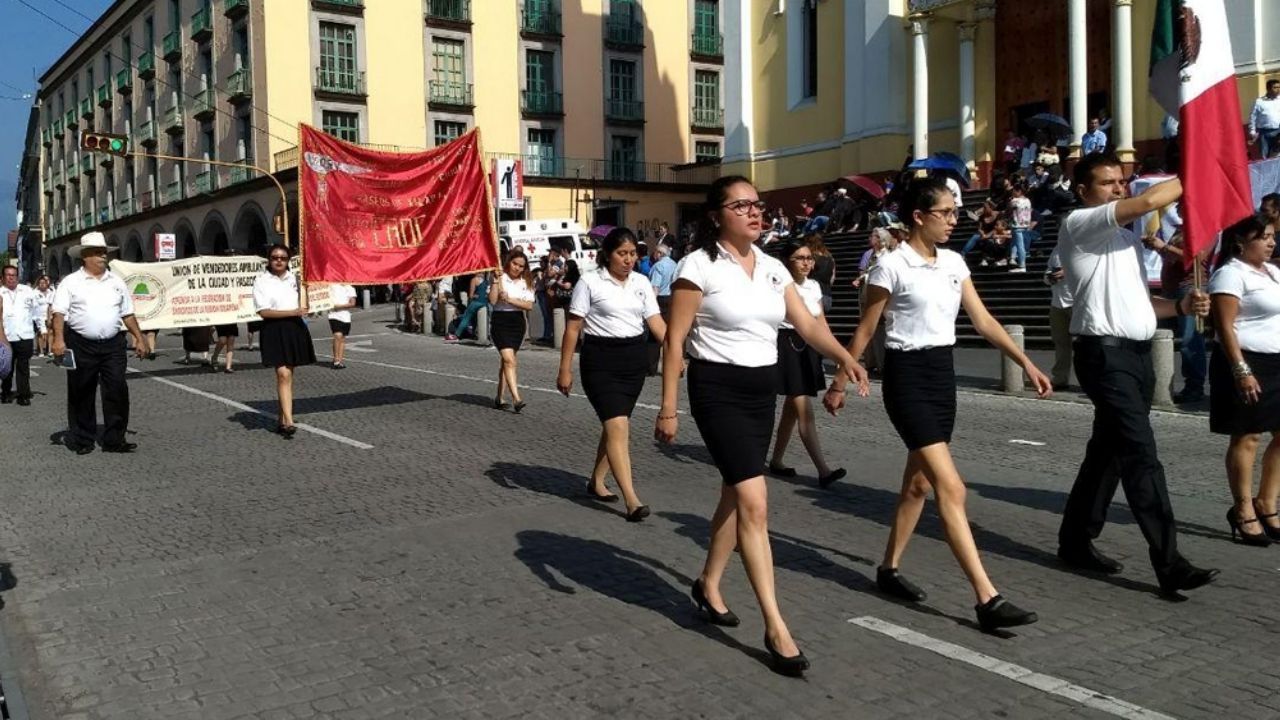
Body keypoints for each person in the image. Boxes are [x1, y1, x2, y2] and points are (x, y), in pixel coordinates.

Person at [655, 175, 867, 677]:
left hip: (760, 391)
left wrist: (845, 358)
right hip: (717, 390)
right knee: (755, 500)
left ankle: (708, 583)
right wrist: (668, 407)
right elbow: (675, 339)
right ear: (717, 215)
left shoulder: (774, 267)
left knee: (735, 493)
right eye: (741, 205)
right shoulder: (698, 265)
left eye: (758, 204)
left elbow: (808, 324)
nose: (754, 212)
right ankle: (776, 626)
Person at [825, 177, 1050, 631]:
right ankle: (987, 598)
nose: (953, 220)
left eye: (954, 212)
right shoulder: (890, 266)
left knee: (918, 487)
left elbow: (982, 320)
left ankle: (888, 569)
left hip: (942, 377)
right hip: (907, 378)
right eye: (945, 213)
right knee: (952, 487)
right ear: (918, 217)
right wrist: (841, 379)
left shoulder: (953, 261)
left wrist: (1024, 360)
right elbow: (867, 328)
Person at [1055, 153, 1219, 595]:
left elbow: (1143, 308)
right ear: (1083, 190)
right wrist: (1201, 168)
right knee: (1140, 453)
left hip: (1137, 357)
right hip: (1104, 358)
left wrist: (1181, 307)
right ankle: (1170, 562)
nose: (1117, 189)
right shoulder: (1080, 223)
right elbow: (1149, 203)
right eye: (1107, 183)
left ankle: (1074, 540)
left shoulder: (1125, 243)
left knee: (1107, 453)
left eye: (1120, 181)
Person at [557, 228, 667, 522]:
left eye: (633, 254)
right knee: (618, 426)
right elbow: (572, 327)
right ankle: (632, 499)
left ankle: (596, 480)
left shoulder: (641, 282)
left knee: (614, 426)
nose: (629, 260)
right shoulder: (590, 282)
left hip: (633, 362)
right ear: (607, 254)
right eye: (622, 253)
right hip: (600, 362)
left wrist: (674, 350)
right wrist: (564, 369)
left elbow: (655, 323)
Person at [1207, 214, 1280, 545]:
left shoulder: (1274, 273)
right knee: (1248, 436)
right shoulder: (1229, 274)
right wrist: (1241, 370)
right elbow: (1224, 327)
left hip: (1277, 361)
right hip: (1246, 362)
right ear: (1240, 241)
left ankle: (1267, 503)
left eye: (1272, 236)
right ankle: (1243, 508)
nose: (1271, 242)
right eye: (1263, 236)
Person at [50, 232, 147, 454]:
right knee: (81, 391)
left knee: (117, 389)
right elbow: (58, 314)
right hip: (81, 343)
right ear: (85, 256)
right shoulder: (70, 282)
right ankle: (83, 439)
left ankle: (114, 439)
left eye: (104, 252)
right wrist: (58, 339)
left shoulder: (116, 282)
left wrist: (139, 337)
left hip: (113, 345)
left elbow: (128, 314)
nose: (103, 256)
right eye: (97, 252)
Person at [768, 239, 846, 488]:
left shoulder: (814, 286)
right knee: (803, 408)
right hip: (788, 344)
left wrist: (838, 355)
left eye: (809, 258)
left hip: (808, 347)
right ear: (787, 262)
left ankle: (777, 460)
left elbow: (820, 323)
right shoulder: (779, 286)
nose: (806, 263)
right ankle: (823, 470)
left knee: (792, 408)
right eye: (800, 258)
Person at [252, 244, 315, 438]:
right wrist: (293, 312)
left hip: (294, 328)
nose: (279, 261)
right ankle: (288, 420)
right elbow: (263, 312)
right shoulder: (261, 280)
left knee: (288, 374)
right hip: (273, 328)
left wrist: (305, 293)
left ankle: (281, 418)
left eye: (283, 258)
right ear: (269, 260)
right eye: (274, 257)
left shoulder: (296, 278)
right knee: (283, 374)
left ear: (288, 260)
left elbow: (305, 306)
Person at [489, 249, 536, 412]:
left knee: (507, 361)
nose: (517, 268)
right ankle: (517, 398)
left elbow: (529, 305)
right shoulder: (500, 277)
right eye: (515, 264)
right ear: (509, 262)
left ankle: (500, 398)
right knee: (509, 360)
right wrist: (495, 282)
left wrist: (510, 299)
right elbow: (493, 301)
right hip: (500, 321)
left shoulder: (527, 281)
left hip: (517, 322)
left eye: (521, 266)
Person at [1, 266, 43, 406]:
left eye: (14, 275)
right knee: (7, 366)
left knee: (23, 366)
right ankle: (6, 392)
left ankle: (23, 394)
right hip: (6, 336)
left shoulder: (27, 291)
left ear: (17, 277)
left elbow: (37, 311)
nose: (11, 277)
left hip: (24, 334)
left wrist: (41, 327)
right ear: (3, 277)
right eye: (8, 275)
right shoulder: (0, 292)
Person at [1044, 246, 1074, 391]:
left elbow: (1091, 271)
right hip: (1057, 302)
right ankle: (1060, 379)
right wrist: (1049, 277)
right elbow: (1047, 272)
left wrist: (1067, 272)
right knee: (1061, 342)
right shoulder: (1056, 249)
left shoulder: (1083, 246)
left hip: (1077, 302)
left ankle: (1092, 380)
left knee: (1086, 344)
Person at [646, 243, 677, 375]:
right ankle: (675, 366)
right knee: (671, 333)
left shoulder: (658, 266)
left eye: (655, 252)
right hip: (672, 299)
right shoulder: (674, 264)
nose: (653, 255)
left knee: (654, 335)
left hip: (660, 300)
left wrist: (650, 305)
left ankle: (650, 368)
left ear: (660, 253)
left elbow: (655, 287)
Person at [446, 272, 492, 343]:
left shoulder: (474, 280)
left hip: (476, 302)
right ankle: (476, 333)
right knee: (476, 319)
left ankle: (457, 334)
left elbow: (470, 295)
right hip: (485, 303)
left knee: (466, 317)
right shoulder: (486, 281)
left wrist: (474, 296)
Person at [327, 282, 357, 369]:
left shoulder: (350, 288)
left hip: (346, 316)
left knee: (342, 338)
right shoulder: (332, 285)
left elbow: (352, 303)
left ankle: (339, 360)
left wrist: (339, 306)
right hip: (333, 315)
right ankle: (336, 360)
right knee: (337, 335)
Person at [1248, 79, 1280, 159]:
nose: (1278, 89)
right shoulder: (1259, 101)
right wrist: (1252, 131)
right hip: (1264, 133)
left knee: (1277, 154)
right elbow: (1253, 117)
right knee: (1264, 156)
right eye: (1275, 87)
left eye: (1279, 87)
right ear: (1268, 89)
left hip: (1278, 132)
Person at [806, 233, 836, 314]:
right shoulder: (830, 257)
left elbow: (806, 273)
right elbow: (832, 279)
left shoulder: (811, 257)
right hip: (827, 296)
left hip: (813, 295)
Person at [34, 275, 54, 358]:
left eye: (44, 283)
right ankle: (41, 351)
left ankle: (49, 350)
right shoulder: (35, 293)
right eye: (40, 283)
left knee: (50, 332)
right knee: (41, 333)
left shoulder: (51, 292)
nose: (42, 284)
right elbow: (34, 306)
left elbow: (51, 304)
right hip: (39, 316)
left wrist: (50, 316)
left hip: (49, 315)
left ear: (47, 284)